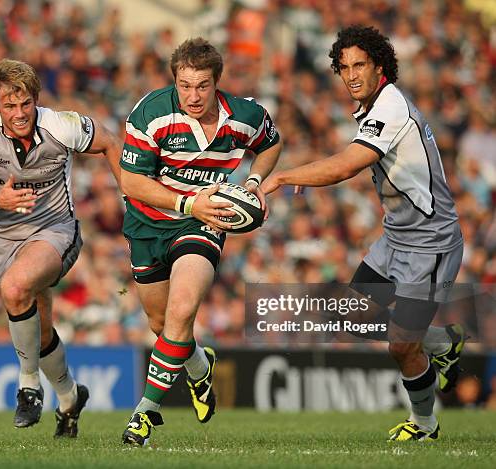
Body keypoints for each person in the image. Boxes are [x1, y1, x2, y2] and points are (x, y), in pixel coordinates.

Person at [263, 26, 466, 441]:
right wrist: (310, 176)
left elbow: (346, 165)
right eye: (344, 68)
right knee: (355, 313)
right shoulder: (374, 105)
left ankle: (425, 425)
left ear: (379, 67)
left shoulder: (390, 105)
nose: (351, 74)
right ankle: (442, 343)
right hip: (396, 237)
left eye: (360, 65)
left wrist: (284, 177)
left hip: (431, 241)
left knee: (399, 346)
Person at [119, 37, 282, 445]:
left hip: (204, 222)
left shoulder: (244, 115)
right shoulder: (151, 113)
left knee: (182, 309)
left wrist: (254, 181)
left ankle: (144, 414)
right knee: (162, 324)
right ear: (175, 79)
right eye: (185, 85)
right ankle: (197, 366)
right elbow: (132, 181)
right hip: (147, 225)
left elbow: (271, 144)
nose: (193, 95)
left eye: (202, 86)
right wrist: (186, 202)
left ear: (217, 83)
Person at [0, 58, 122, 437]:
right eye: (9, 106)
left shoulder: (61, 124)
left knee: (15, 288)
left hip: (57, 230)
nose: (19, 113)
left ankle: (28, 385)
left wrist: (134, 198)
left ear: (36, 100)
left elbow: (110, 141)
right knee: (39, 329)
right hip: (8, 239)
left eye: (25, 103)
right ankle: (69, 397)